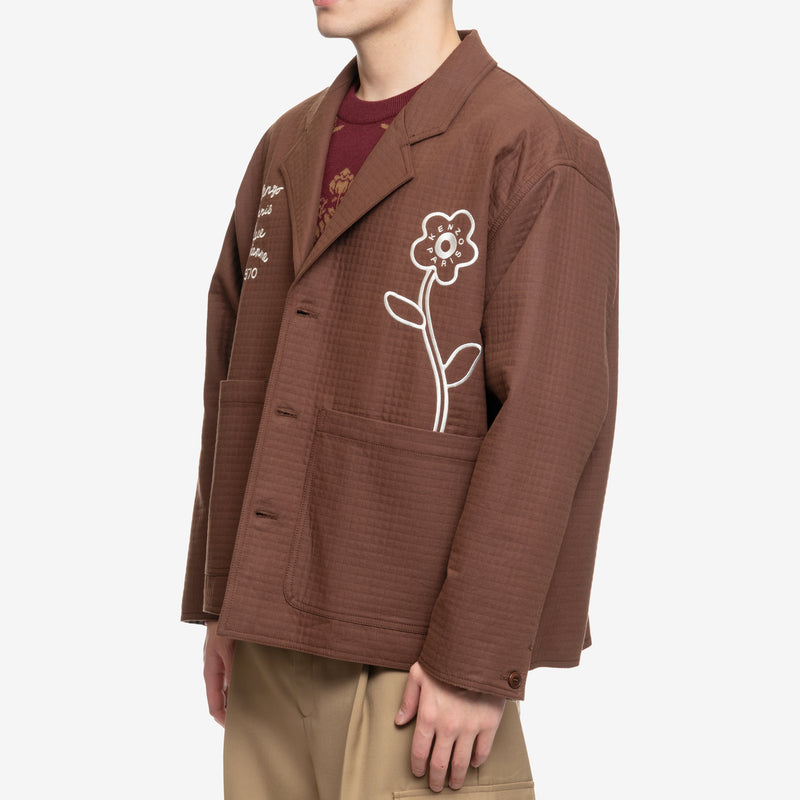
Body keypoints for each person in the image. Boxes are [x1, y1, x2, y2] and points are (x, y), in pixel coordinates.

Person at [181, 1, 618, 797]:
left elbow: (551, 418)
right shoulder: (286, 143)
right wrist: (224, 601)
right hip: (267, 644)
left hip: (419, 671)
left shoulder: (536, 151)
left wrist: (474, 660)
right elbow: (234, 368)